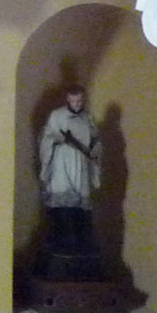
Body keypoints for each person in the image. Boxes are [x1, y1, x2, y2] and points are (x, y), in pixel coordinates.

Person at [38, 84, 100, 257]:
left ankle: (78, 248)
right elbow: (46, 138)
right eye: (74, 101)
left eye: (80, 101)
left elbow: (95, 140)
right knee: (62, 207)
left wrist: (95, 149)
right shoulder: (56, 116)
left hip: (81, 165)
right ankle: (61, 247)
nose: (77, 104)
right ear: (67, 99)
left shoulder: (88, 118)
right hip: (62, 164)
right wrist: (58, 139)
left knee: (80, 209)